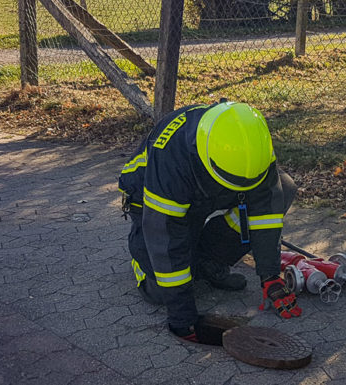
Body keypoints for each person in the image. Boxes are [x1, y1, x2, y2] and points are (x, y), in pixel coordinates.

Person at [118, 100, 302, 342]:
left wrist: (270, 275)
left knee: (282, 187)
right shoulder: (171, 160)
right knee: (163, 290)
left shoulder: (254, 143)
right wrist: (182, 317)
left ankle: (207, 261)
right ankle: (141, 263)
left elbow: (265, 214)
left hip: (204, 194)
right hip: (150, 202)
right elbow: (165, 234)